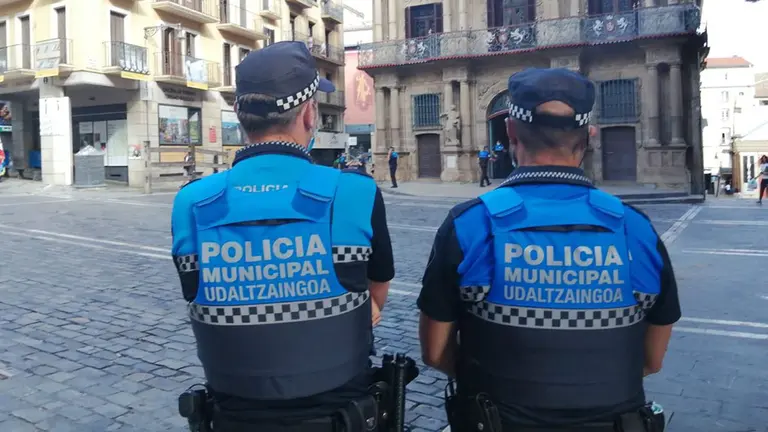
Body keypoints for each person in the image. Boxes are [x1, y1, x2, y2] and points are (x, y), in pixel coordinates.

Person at [417, 68, 680, 432]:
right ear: (589, 135)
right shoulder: (636, 229)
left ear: (510, 130)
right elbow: (652, 360)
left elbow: (434, 352)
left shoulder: (469, 224)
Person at [171, 41, 396, 432]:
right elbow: (375, 297)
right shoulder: (355, 191)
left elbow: (196, 294)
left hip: (233, 418)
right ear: (309, 113)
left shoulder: (191, 201)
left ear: (240, 115)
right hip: (342, 416)